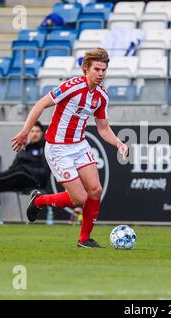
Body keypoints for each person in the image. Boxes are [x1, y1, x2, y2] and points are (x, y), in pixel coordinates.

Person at [11, 48, 128, 249]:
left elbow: (103, 127)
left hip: (79, 146)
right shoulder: (71, 86)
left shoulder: (101, 96)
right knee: (79, 198)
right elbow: (40, 104)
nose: (101, 74)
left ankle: (84, 239)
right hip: (57, 148)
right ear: (86, 69)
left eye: (104, 70)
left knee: (95, 190)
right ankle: (39, 201)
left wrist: (118, 143)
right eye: (97, 69)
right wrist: (24, 132)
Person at [0, 122, 49, 223]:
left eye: (37, 131)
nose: (35, 134)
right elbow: (11, 169)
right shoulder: (24, 149)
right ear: (29, 134)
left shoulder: (45, 148)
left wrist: (26, 166)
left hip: (35, 181)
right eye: (32, 131)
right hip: (18, 179)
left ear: (42, 133)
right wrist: (22, 164)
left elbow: (45, 172)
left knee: (20, 171)